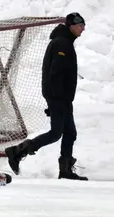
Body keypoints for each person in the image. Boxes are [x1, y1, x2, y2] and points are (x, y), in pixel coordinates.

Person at [5, 12, 87, 180]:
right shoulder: (62, 44)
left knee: (70, 133)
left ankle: (65, 169)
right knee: (56, 133)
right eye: (80, 26)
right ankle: (17, 151)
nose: (83, 29)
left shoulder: (65, 42)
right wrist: (57, 100)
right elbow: (55, 73)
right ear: (71, 26)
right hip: (58, 97)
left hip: (61, 98)